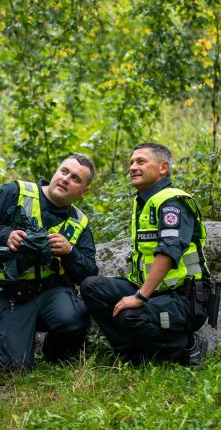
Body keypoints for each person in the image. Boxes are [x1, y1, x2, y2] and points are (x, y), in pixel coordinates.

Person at [80, 143, 211, 365]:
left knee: (129, 315)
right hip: (156, 293)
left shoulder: (173, 202)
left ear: (163, 167)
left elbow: (169, 253)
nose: (132, 167)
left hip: (183, 298)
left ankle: (187, 347)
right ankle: (133, 353)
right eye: (131, 162)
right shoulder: (144, 203)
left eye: (141, 161)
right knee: (92, 287)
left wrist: (139, 297)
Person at [0, 154, 98, 371]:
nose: (66, 179)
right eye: (64, 171)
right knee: (12, 367)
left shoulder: (79, 222)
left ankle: (52, 353)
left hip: (51, 294)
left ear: (84, 191)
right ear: (56, 172)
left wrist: (69, 251)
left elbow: (90, 272)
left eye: (75, 178)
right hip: (10, 293)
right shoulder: (18, 192)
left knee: (74, 320)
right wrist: (5, 235)